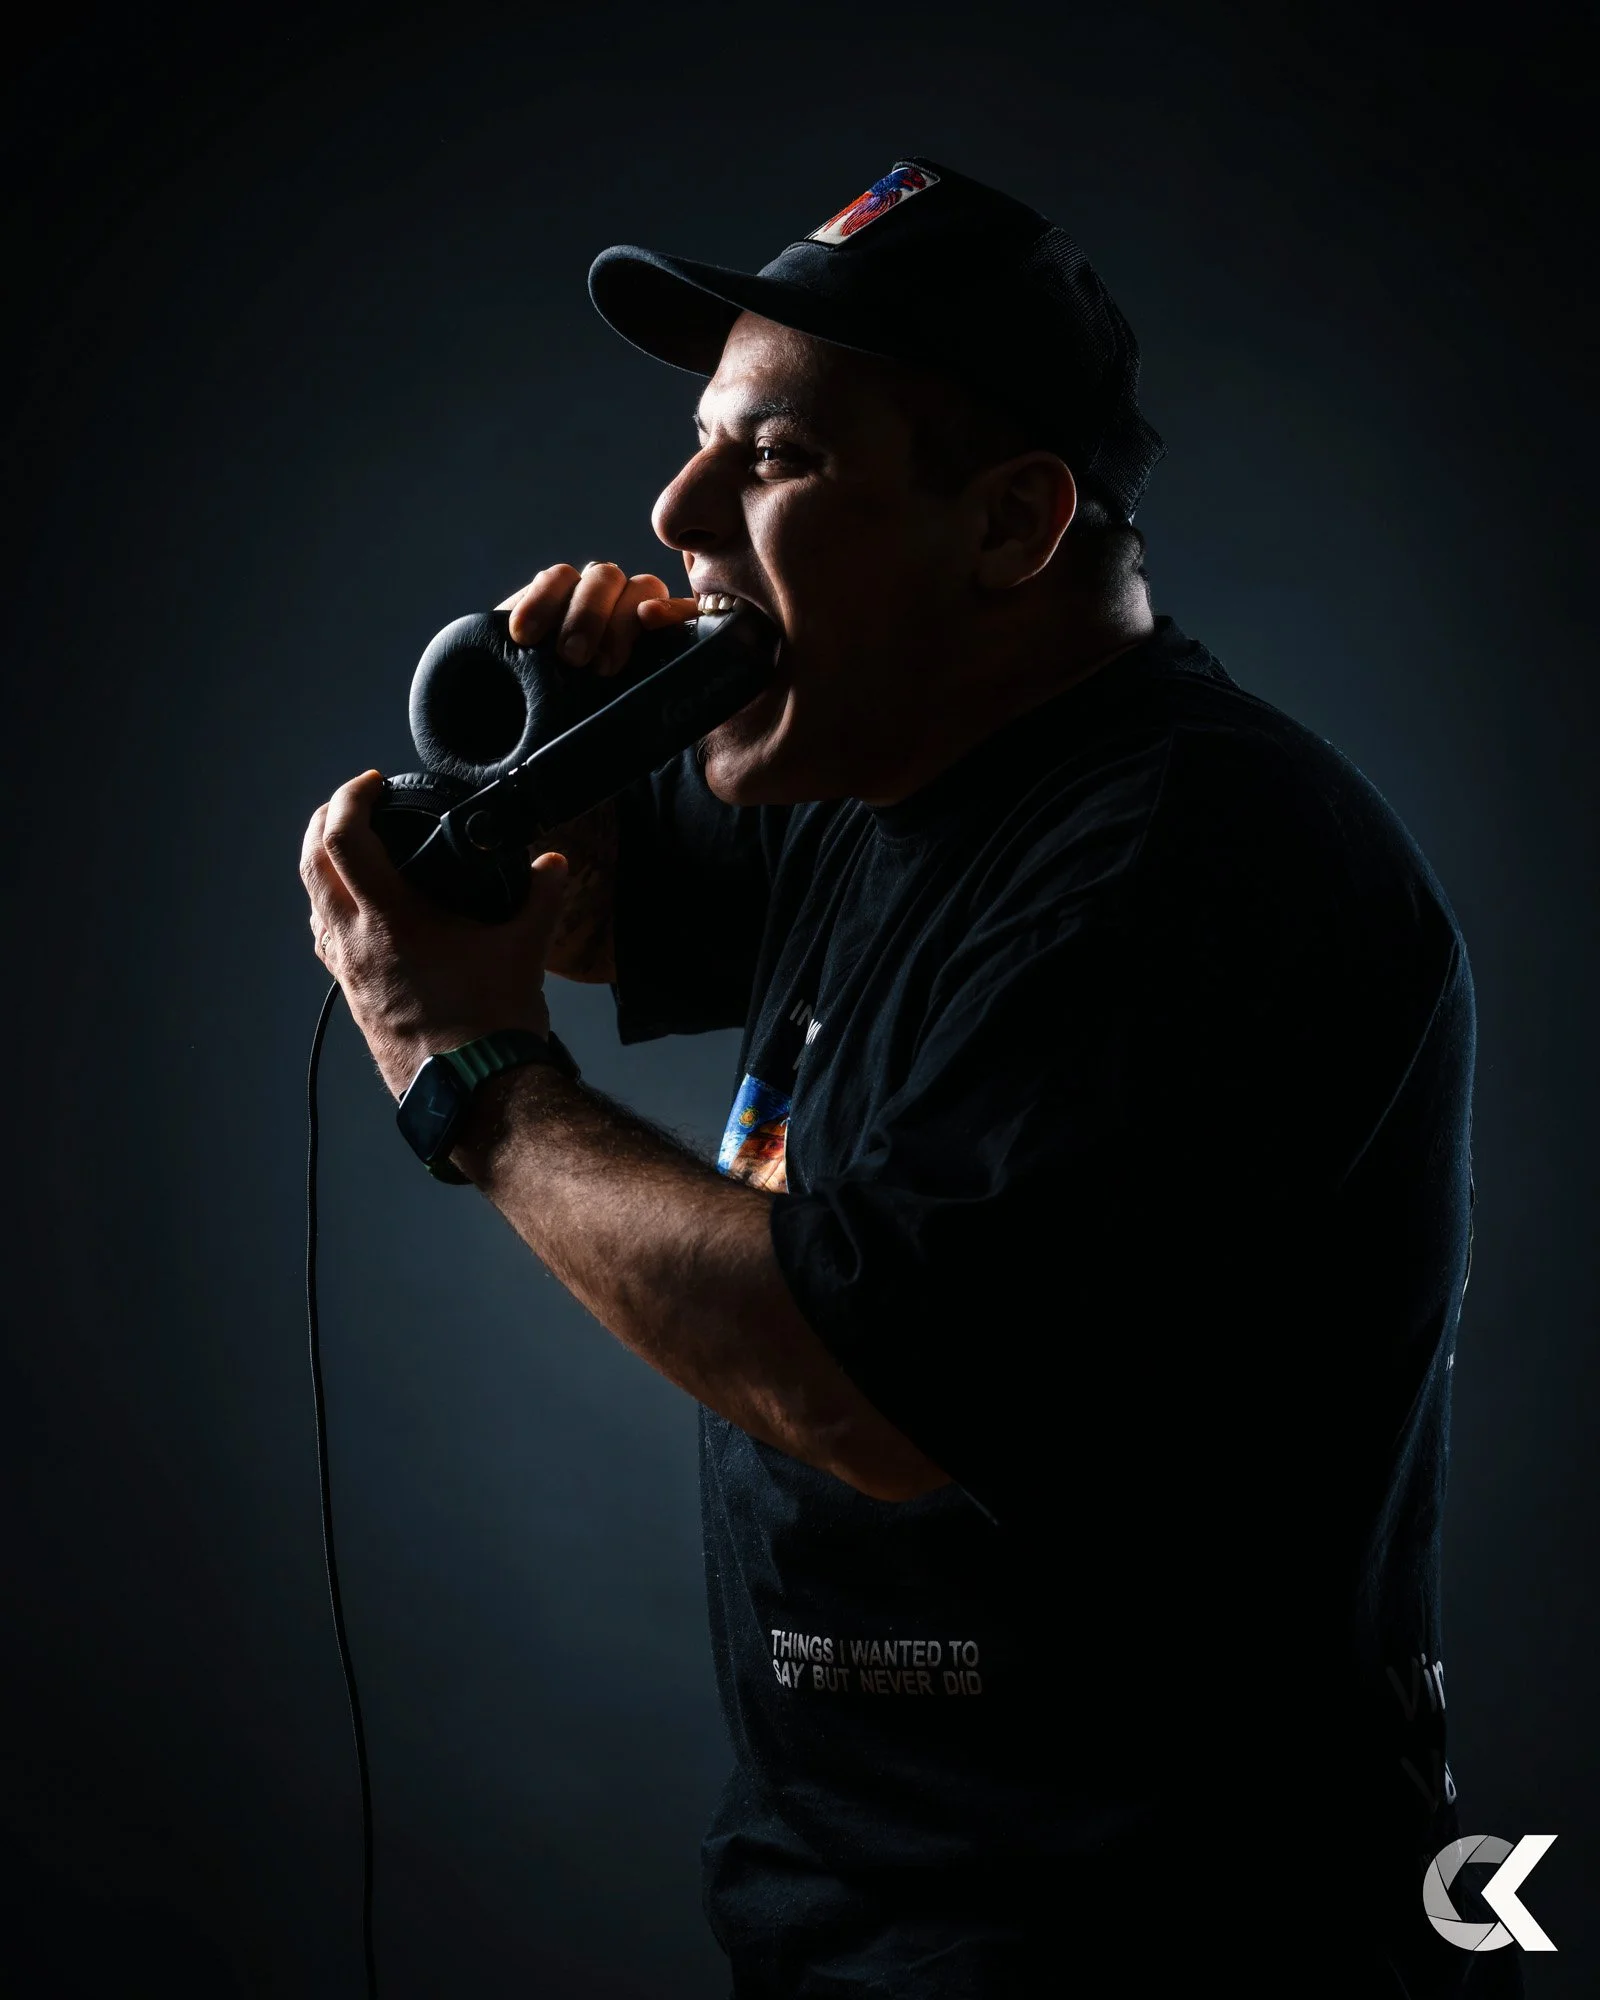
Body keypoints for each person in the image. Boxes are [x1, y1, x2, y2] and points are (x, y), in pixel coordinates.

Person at [301, 160, 1515, 1997]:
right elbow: (596, 907)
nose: (675, 505)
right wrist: (553, 763)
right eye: (697, 444)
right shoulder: (880, 782)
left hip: (1170, 1946)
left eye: (771, 460)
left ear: (1013, 526)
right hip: (879, 1926)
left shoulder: (1185, 863)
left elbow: (872, 1384)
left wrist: (465, 1071)